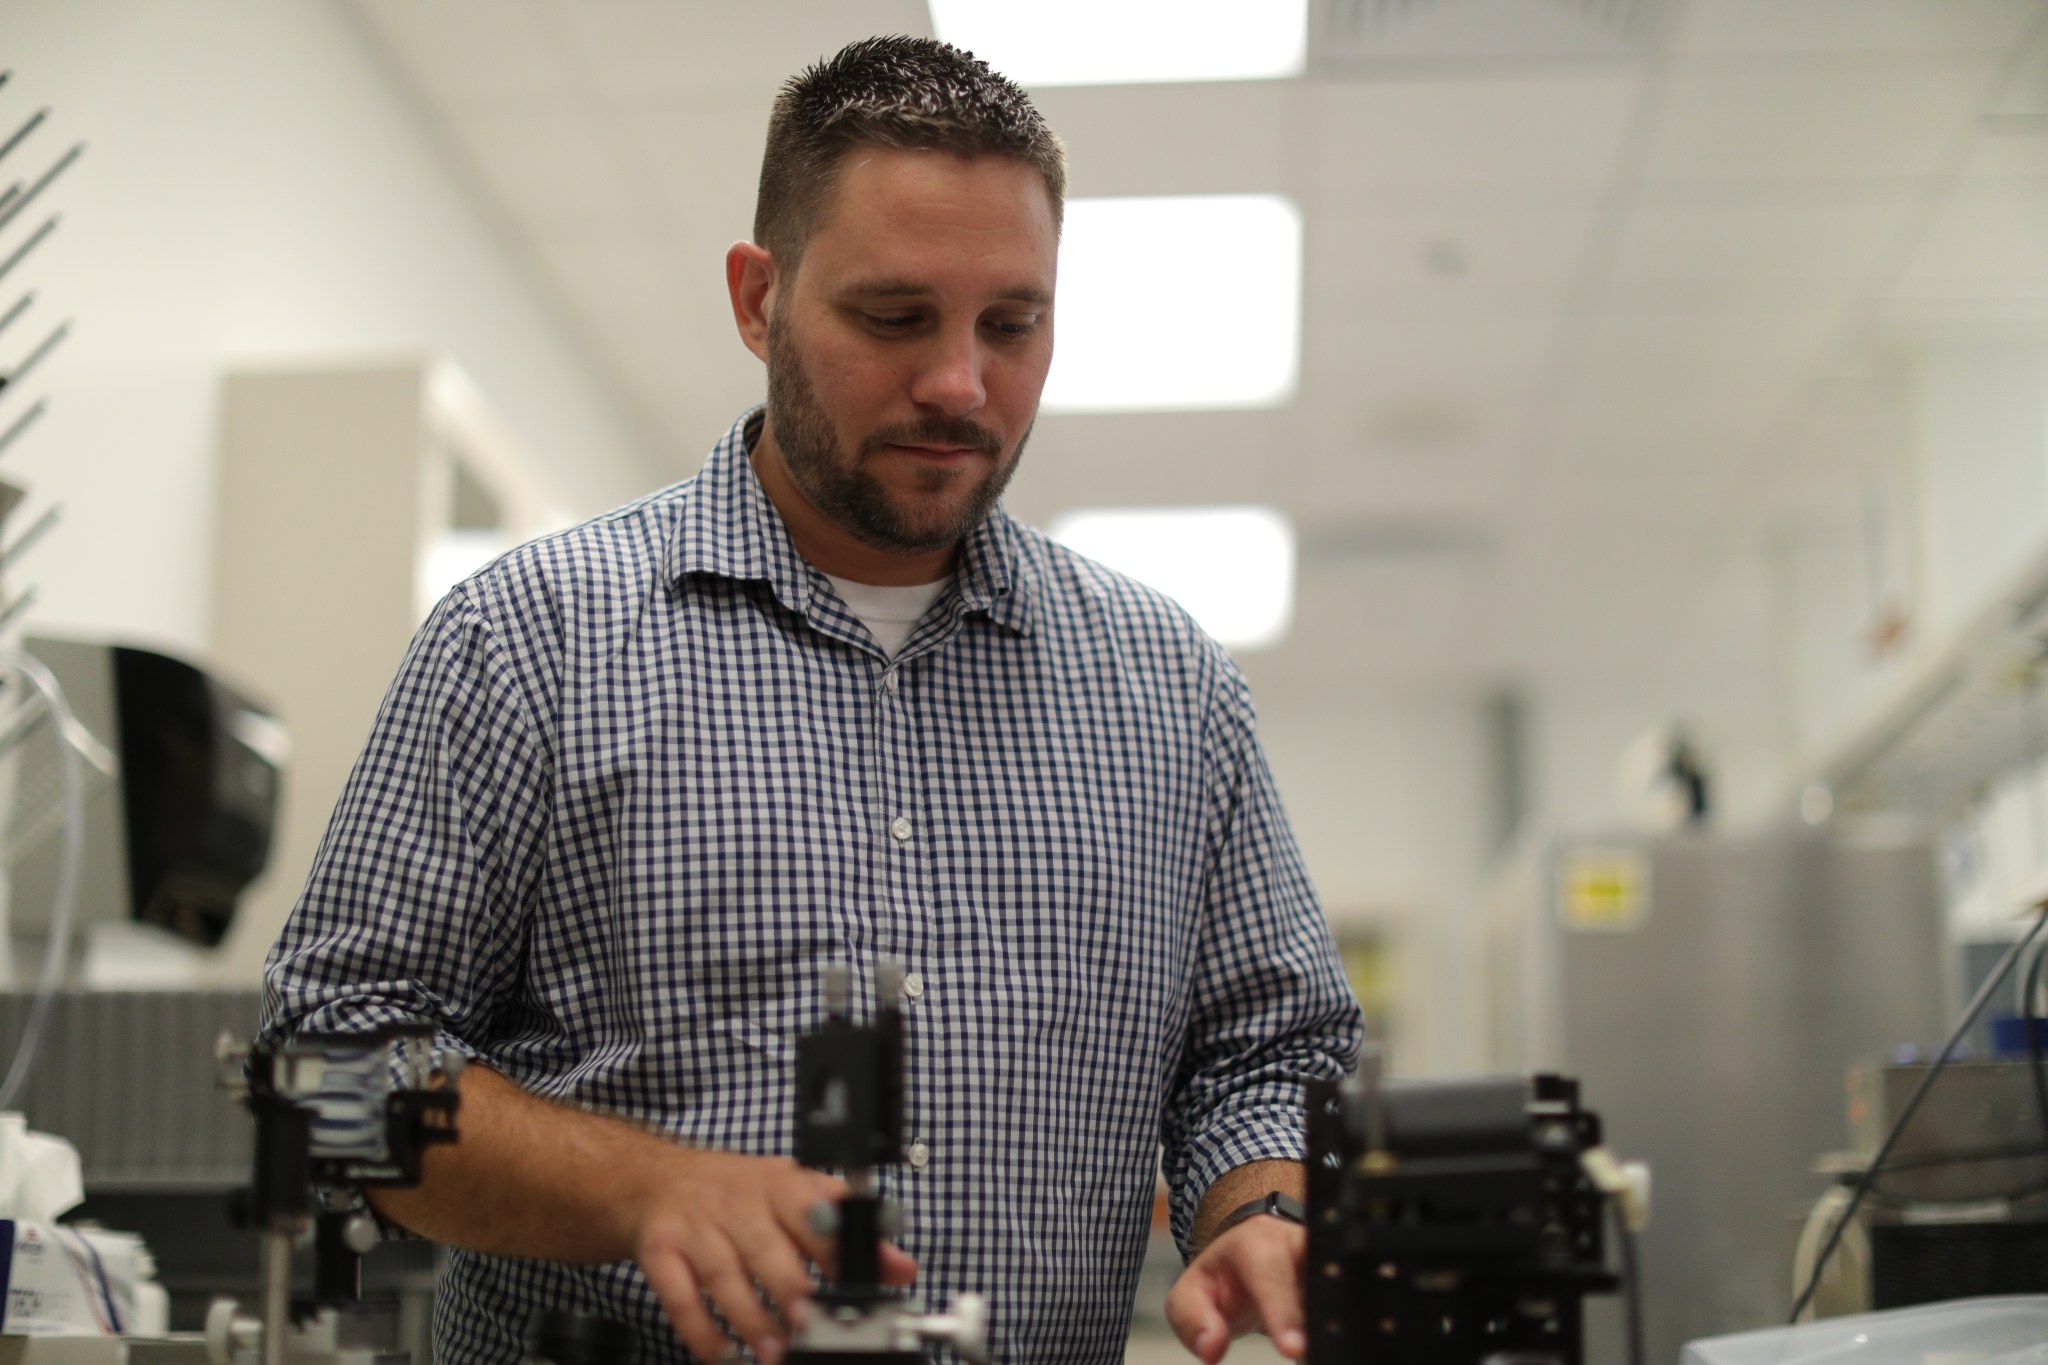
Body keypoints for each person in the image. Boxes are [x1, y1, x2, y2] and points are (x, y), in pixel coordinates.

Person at [263, 35, 1362, 1365]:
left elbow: (1269, 1055)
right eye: (894, 317)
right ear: (756, 297)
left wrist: (1262, 1207)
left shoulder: (1170, 690)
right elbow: (318, 1076)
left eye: (1012, 324)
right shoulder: (531, 641)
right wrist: (645, 1186)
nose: (960, 383)